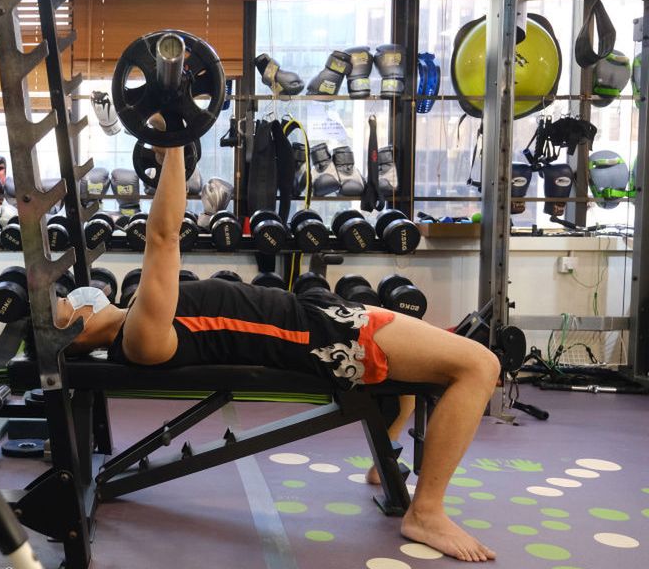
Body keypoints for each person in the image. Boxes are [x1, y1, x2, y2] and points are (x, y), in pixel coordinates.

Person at [54, 146, 499, 562]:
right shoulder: (140, 338)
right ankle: (426, 512)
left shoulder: (133, 315)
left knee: (430, 358)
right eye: (64, 306)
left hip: (318, 315)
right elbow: (164, 236)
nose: (73, 296)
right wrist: (172, 145)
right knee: (480, 365)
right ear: (77, 329)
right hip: (324, 339)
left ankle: (384, 464)